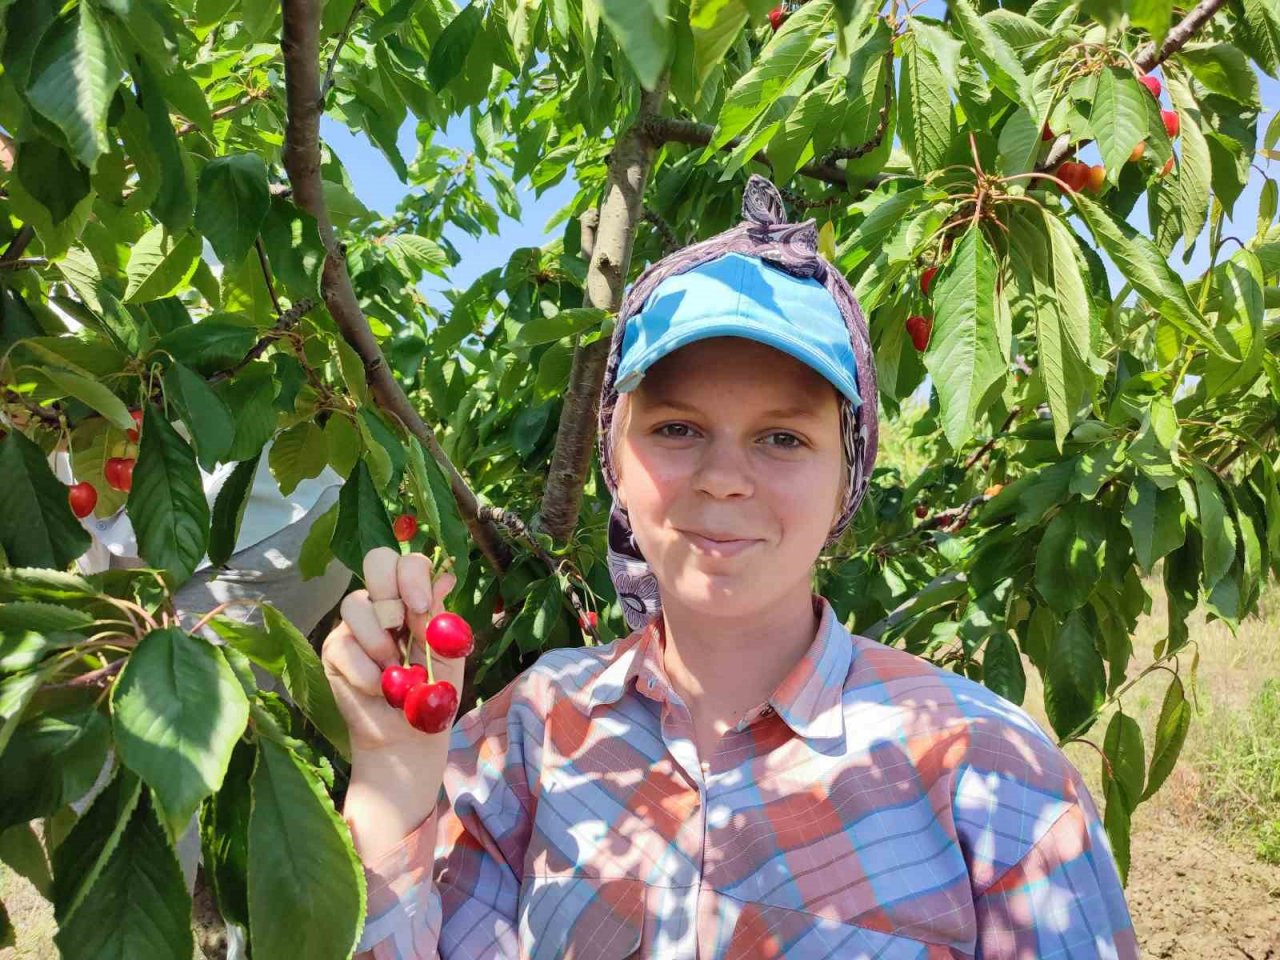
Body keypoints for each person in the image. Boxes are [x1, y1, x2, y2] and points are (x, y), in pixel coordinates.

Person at [322, 176, 1139, 959]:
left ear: (846, 476)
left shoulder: (993, 772)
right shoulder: (530, 734)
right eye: (677, 429)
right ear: (616, 457)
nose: (723, 478)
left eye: (783, 439)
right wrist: (394, 785)